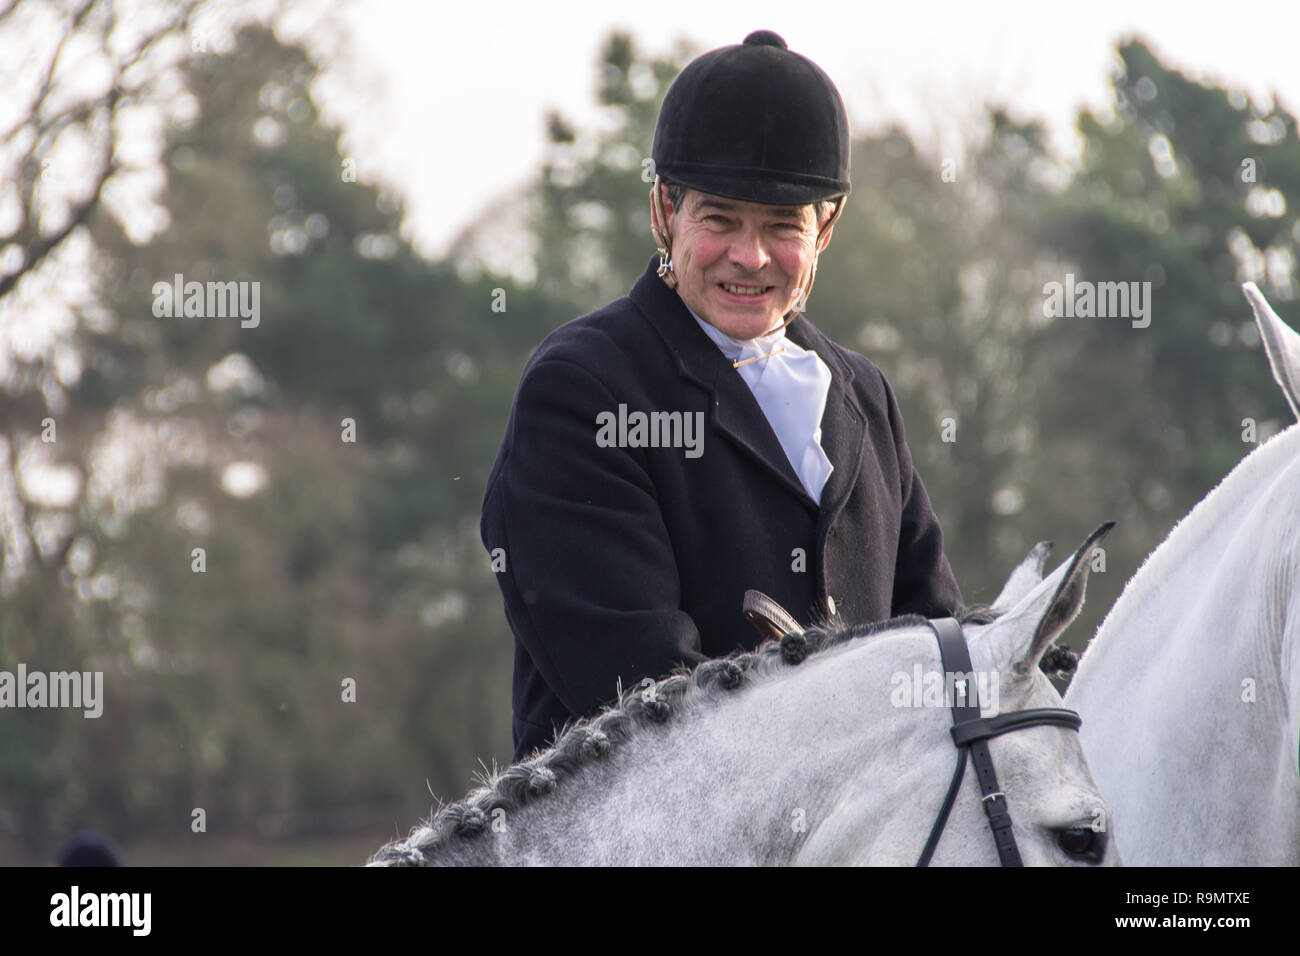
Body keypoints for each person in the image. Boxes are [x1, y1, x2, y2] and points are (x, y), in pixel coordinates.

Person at [482, 30, 964, 763]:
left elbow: (934, 647)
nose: (751, 256)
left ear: (825, 228)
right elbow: (650, 700)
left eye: (782, 226)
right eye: (719, 220)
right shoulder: (583, 391)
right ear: (664, 210)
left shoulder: (865, 394)